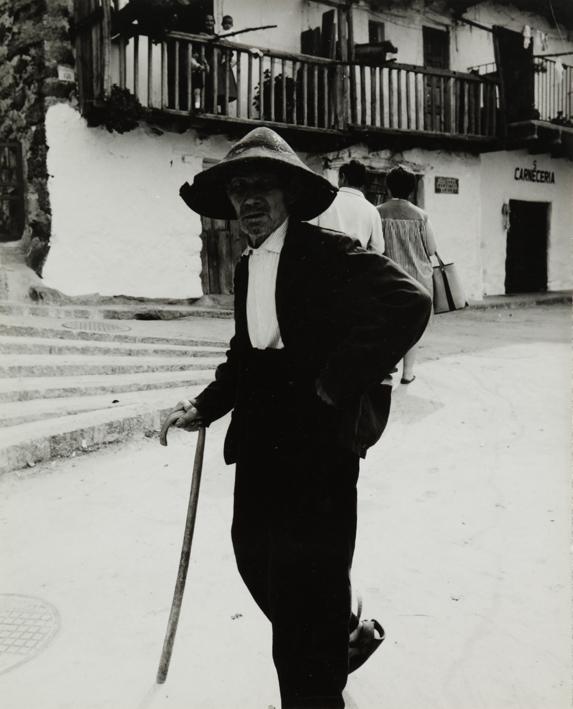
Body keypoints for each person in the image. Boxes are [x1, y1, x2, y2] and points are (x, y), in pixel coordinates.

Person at [161, 128, 431, 709]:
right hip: (261, 439)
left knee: (303, 582)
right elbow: (245, 354)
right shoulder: (246, 266)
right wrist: (204, 406)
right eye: (239, 189)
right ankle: (337, 639)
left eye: (262, 186)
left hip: (319, 445)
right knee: (254, 555)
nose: (249, 200)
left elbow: (410, 301)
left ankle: (314, 691)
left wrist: (337, 382)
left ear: (288, 193)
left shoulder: (327, 253)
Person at [377, 166, 437, 384]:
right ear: (412, 189)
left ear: (388, 186)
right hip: (418, 281)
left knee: (388, 327)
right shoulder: (422, 216)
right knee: (412, 328)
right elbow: (431, 249)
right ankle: (408, 373)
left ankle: (387, 370)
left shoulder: (378, 212)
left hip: (388, 279)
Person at [309, 160, 384, 252]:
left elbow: (309, 232)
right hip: (355, 264)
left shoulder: (324, 200)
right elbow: (379, 249)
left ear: (343, 177)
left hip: (324, 261)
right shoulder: (372, 211)